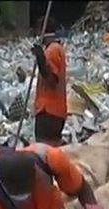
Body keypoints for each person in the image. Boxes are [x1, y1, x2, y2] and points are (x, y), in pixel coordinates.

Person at [31, 17, 67, 147]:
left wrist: (41, 60)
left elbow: (51, 81)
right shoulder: (55, 49)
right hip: (54, 112)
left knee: (45, 151)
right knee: (52, 150)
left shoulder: (52, 50)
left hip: (48, 111)